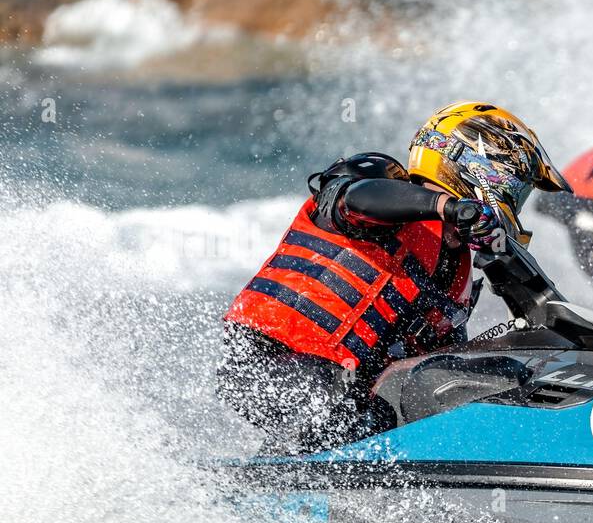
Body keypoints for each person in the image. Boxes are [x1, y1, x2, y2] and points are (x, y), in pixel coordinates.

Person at [217, 101, 571, 454]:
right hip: (271, 363)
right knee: (359, 420)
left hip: (341, 394)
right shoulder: (379, 183)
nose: (516, 202)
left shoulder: (454, 270)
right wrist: (450, 207)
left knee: (458, 389)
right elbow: (360, 199)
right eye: (516, 187)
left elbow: (439, 366)